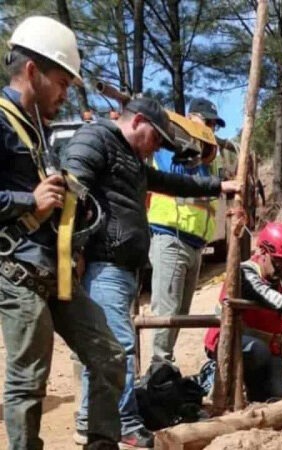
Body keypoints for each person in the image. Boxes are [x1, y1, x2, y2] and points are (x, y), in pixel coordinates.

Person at [60, 97, 240, 448]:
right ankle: (125, 421)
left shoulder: (132, 160)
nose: (157, 146)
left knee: (107, 347)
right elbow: (72, 188)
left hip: (124, 266)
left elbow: (172, 184)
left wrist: (218, 186)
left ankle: (90, 419)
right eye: (155, 137)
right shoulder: (98, 139)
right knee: (120, 347)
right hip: (104, 264)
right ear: (138, 121)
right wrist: (73, 250)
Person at [0, 16, 126, 450]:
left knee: (108, 356)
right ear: (32, 72)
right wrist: (27, 203)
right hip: (17, 274)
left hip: (57, 275)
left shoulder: (36, 129)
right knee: (28, 384)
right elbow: (27, 198)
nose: (66, 93)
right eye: (62, 82)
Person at [203, 222, 282, 402]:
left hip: (266, 346)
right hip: (230, 341)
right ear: (263, 253)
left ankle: (257, 402)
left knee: (278, 395)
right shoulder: (245, 272)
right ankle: (226, 394)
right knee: (258, 352)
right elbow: (265, 294)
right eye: (279, 261)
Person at [147, 97, 225, 364]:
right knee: (165, 309)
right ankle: (159, 367)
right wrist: (186, 139)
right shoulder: (170, 143)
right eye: (208, 123)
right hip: (170, 236)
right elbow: (172, 172)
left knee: (181, 310)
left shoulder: (209, 158)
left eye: (215, 125)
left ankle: (165, 365)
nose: (212, 129)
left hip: (196, 244)